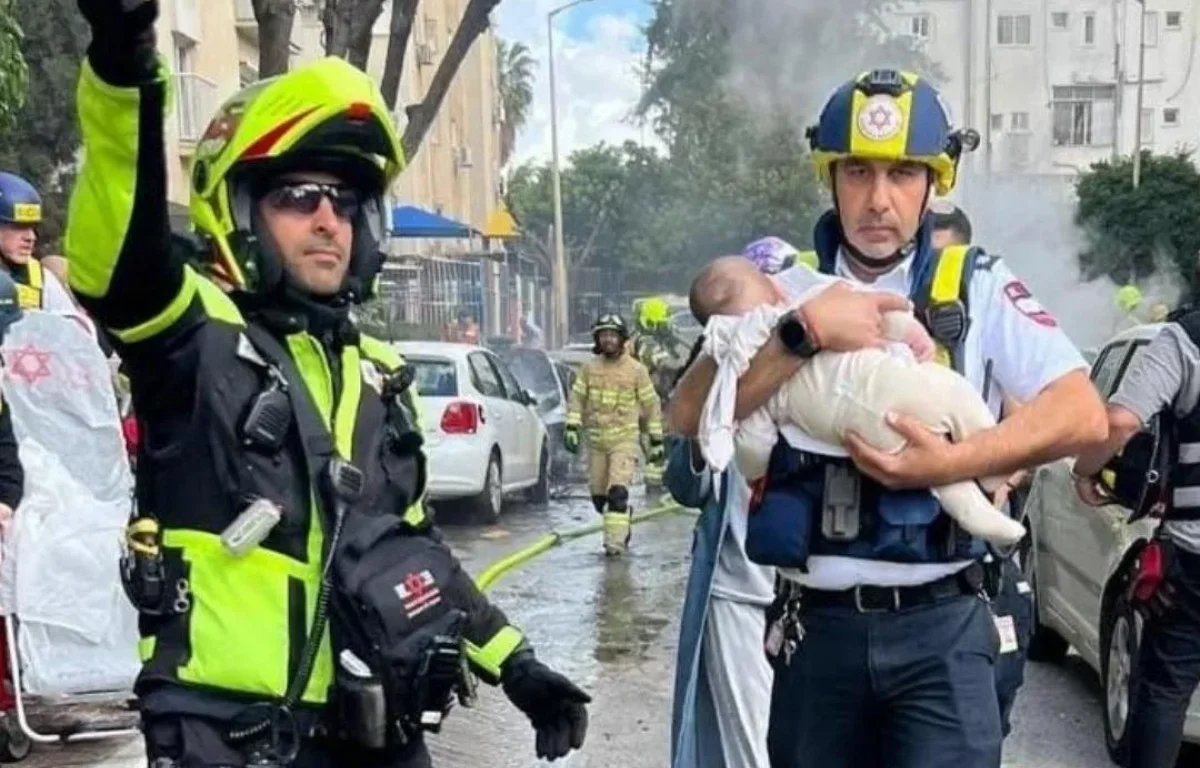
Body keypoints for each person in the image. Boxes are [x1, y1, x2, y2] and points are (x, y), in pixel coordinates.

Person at [65, 2, 589, 765]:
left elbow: (411, 547)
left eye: (344, 201)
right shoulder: (195, 338)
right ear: (240, 210)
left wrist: (517, 664)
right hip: (236, 739)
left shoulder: (378, 373)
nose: (327, 220)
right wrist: (125, 63)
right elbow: (117, 251)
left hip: (378, 735)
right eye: (297, 196)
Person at [668, 68, 1106, 768]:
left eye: (903, 173)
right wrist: (803, 332)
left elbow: (1082, 413)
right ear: (830, 177)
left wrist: (954, 463)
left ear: (935, 183)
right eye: (858, 172)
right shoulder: (778, 289)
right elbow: (689, 416)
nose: (878, 199)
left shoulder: (975, 285)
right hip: (817, 639)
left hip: (943, 633)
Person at [689, 256, 1024, 547]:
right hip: (889, 384)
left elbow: (753, 443)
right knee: (956, 398)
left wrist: (756, 474)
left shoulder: (747, 374)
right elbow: (879, 318)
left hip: (860, 427)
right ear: (771, 288)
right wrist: (913, 334)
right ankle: (993, 477)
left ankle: (983, 503)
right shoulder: (811, 307)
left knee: (938, 468)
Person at [1072, 308, 1200, 768]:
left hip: (1194, 553)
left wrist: (1085, 469)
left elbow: (1122, 421)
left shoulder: (1186, 338)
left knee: (1165, 686)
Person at [928, 202, 1035, 739]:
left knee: (998, 676)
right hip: (915, 551)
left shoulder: (988, 319)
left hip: (985, 544)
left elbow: (1031, 425)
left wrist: (1001, 482)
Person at [666, 335, 774, 768]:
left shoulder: (829, 374)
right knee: (750, 747)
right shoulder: (724, 361)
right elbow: (685, 483)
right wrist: (706, 416)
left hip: (818, 603)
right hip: (736, 595)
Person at [564, 313, 664, 555]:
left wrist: (656, 441)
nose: (608, 340)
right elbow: (577, 399)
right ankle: (621, 520)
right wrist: (572, 426)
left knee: (617, 494)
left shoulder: (637, 371)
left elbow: (651, 406)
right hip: (597, 443)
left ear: (622, 339)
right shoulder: (588, 369)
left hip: (624, 442)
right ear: (597, 339)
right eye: (604, 335)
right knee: (600, 500)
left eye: (612, 335)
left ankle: (614, 547)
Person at [0, 173, 78, 314]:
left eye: (32, 227)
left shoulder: (39, 278)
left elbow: (71, 329)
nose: (31, 237)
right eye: (19, 227)